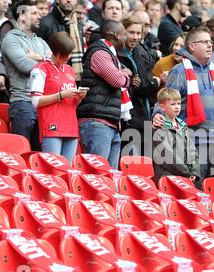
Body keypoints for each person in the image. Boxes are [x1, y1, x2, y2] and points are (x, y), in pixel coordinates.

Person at [153, 26, 214, 187]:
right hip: (192, 144)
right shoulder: (179, 71)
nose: (210, 45)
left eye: (210, 41)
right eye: (204, 42)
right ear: (192, 46)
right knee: (198, 191)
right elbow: (166, 99)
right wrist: (157, 113)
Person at [77, 20, 130, 169]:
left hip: (110, 122)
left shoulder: (110, 54)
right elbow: (117, 80)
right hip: (97, 123)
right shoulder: (99, 52)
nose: (127, 38)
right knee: (97, 175)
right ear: (117, 35)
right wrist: (126, 75)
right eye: (125, 34)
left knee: (110, 178)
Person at [1, 0, 51, 151]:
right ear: (22, 16)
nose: (39, 16)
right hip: (22, 103)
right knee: (20, 154)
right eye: (34, 13)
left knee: (39, 156)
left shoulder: (41, 41)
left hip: (42, 103)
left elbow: (56, 68)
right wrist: (44, 59)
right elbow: (25, 66)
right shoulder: (10, 39)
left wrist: (37, 57)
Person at [30, 32, 86, 163]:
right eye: (66, 53)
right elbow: (35, 101)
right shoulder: (40, 69)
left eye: (70, 53)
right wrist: (61, 95)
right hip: (52, 127)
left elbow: (72, 103)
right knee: (54, 171)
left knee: (67, 172)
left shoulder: (70, 70)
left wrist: (79, 97)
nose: (69, 57)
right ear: (56, 51)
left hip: (71, 127)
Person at [118, 15, 162, 156]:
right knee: (132, 163)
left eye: (139, 34)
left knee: (146, 165)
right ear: (122, 32)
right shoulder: (116, 54)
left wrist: (149, 83)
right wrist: (155, 82)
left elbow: (143, 83)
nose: (136, 37)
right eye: (131, 32)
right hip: (129, 119)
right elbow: (139, 86)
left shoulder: (139, 52)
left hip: (145, 115)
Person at [152, 87, 199, 185]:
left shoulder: (183, 125)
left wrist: (194, 171)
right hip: (168, 177)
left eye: (179, 103)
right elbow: (167, 155)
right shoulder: (158, 127)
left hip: (185, 176)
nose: (177, 107)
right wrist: (186, 173)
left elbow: (192, 151)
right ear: (162, 107)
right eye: (173, 104)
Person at [36, 0, 84, 82]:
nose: (69, 1)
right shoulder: (44, 22)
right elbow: (37, 51)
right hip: (52, 77)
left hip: (74, 76)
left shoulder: (77, 23)